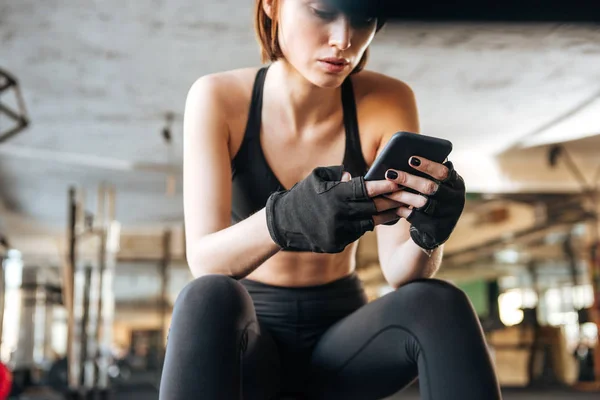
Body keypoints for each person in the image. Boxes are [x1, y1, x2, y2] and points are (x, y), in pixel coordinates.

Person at [159, 0, 502, 399]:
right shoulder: (217, 97)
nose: (343, 39)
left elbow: (401, 272)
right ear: (271, 5)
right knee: (206, 298)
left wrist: (430, 233)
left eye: (364, 17)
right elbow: (204, 260)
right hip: (249, 340)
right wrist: (286, 218)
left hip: (344, 345)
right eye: (322, 10)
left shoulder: (388, 99)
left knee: (438, 301)